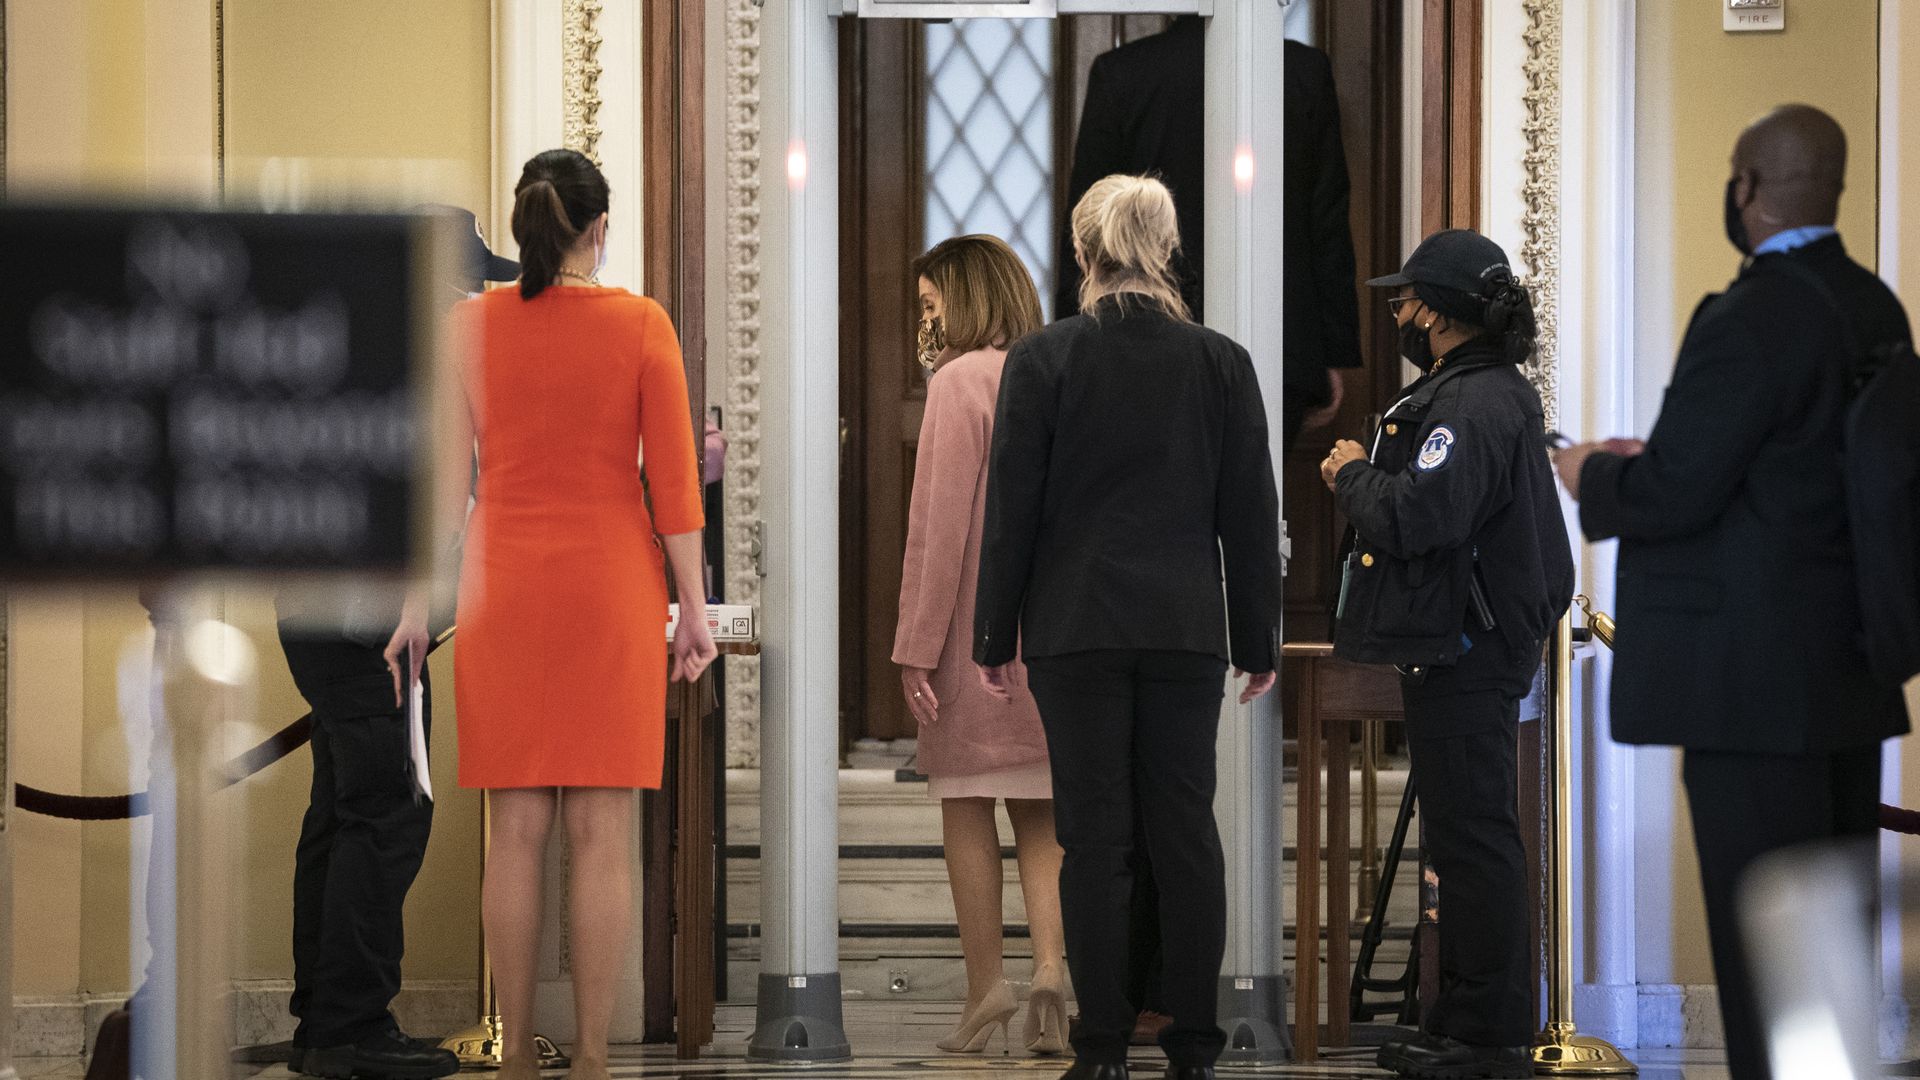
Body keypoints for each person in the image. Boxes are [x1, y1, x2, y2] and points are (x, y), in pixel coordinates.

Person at [1554, 104, 1912, 1080]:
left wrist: (1594, 472)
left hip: (1748, 688)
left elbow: (1677, 490)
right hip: (1848, 674)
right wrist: (1657, 463)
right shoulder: (1875, 307)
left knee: (1767, 961)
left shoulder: (1748, 315)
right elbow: (1791, 472)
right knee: (1831, 959)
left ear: (1748, 187)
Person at [394, 148, 717, 1080]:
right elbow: (674, 487)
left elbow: (440, 490)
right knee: (601, 834)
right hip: (610, 588)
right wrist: (694, 609)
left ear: (524, 225)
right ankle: (591, 1059)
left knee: (516, 833)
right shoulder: (642, 324)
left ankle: (515, 1062)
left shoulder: (467, 327)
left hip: (502, 588)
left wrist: (413, 606)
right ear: (598, 229)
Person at [976, 174, 1282, 1080]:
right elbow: (1249, 515)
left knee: (1094, 839)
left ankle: (1102, 1045)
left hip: (1075, 626)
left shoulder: (1044, 358)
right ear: (1169, 250)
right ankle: (1194, 1046)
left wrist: (994, 635)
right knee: (1185, 831)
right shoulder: (1221, 362)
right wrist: (1257, 641)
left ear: (1082, 253)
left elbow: (1013, 510)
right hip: (1185, 627)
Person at [260, 205, 514, 1080]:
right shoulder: (422, 361)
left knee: (342, 809)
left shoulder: (344, 344)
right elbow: (425, 505)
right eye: (464, 284)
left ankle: (323, 1020)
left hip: (312, 603)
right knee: (389, 815)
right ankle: (350, 1026)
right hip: (374, 615)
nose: (470, 301)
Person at [1321, 228, 1572, 1080]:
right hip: (1466, 646)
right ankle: (1463, 1022)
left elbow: (1421, 515)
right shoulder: (1481, 393)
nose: (1397, 312)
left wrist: (1352, 475)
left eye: (1405, 299)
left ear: (1437, 312)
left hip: (1469, 649)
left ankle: (1488, 1034)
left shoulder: (1471, 404)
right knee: (1464, 839)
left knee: (1474, 841)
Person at [894, 234, 1067, 1057]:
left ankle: (986, 986)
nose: (925, 322)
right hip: (1050, 629)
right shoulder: (1053, 372)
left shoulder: (958, 382)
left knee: (964, 801)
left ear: (965, 299)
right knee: (1042, 807)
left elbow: (940, 529)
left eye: (931, 305)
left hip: (971, 632)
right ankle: (1054, 970)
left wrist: (915, 646)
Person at [1055, 20, 1361, 449]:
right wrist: (1332, 351)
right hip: (1277, 340)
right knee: (1256, 484)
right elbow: (1326, 219)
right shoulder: (1302, 71)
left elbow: (1089, 221)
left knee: (1157, 479)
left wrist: (1072, 341)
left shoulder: (1123, 73)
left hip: (1142, 337)